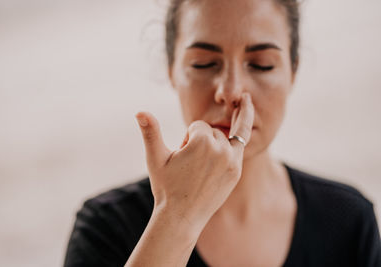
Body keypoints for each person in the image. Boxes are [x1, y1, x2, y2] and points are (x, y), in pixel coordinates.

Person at [63, 0, 381, 266]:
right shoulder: (105, 227)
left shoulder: (348, 221)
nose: (230, 91)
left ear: (292, 72)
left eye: (261, 65)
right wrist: (177, 216)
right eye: (204, 64)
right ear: (172, 71)